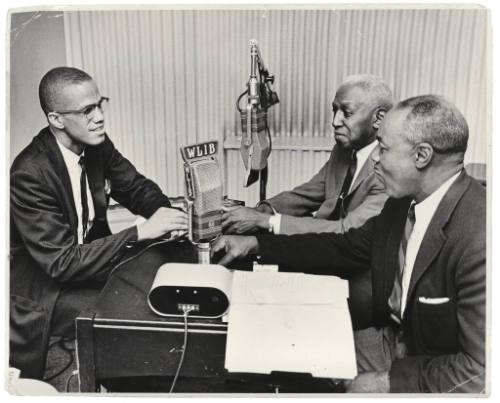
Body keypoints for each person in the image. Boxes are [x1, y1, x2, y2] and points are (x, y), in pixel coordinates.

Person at [212, 95, 485, 393]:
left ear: (422, 155)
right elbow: (342, 246)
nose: (376, 159)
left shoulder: (481, 237)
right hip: (389, 341)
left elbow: (482, 374)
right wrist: (255, 245)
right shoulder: (402, 204)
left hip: (429, 372)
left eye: (383, 148)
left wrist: (386, 383)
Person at [10, 67, 188, 378]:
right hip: (49, 287)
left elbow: (135, 187)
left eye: (100, 104)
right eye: (87, 110)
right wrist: (141, 231)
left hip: (88, 259)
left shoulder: (96, 144)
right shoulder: (29, 173)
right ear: (56, 119)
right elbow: (61, 263)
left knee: (165, 268)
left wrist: (168, 217)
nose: (100, 117)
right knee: (138, 316)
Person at [222, 74, 393, 236]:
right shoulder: (343, 151)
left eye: (347, 113)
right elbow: (306, 195)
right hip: (324, 244)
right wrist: (261, 211)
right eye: (335, 110)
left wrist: (266, 221)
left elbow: (346, 230)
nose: (335, 122)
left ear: (379, 118)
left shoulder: (388, 171)